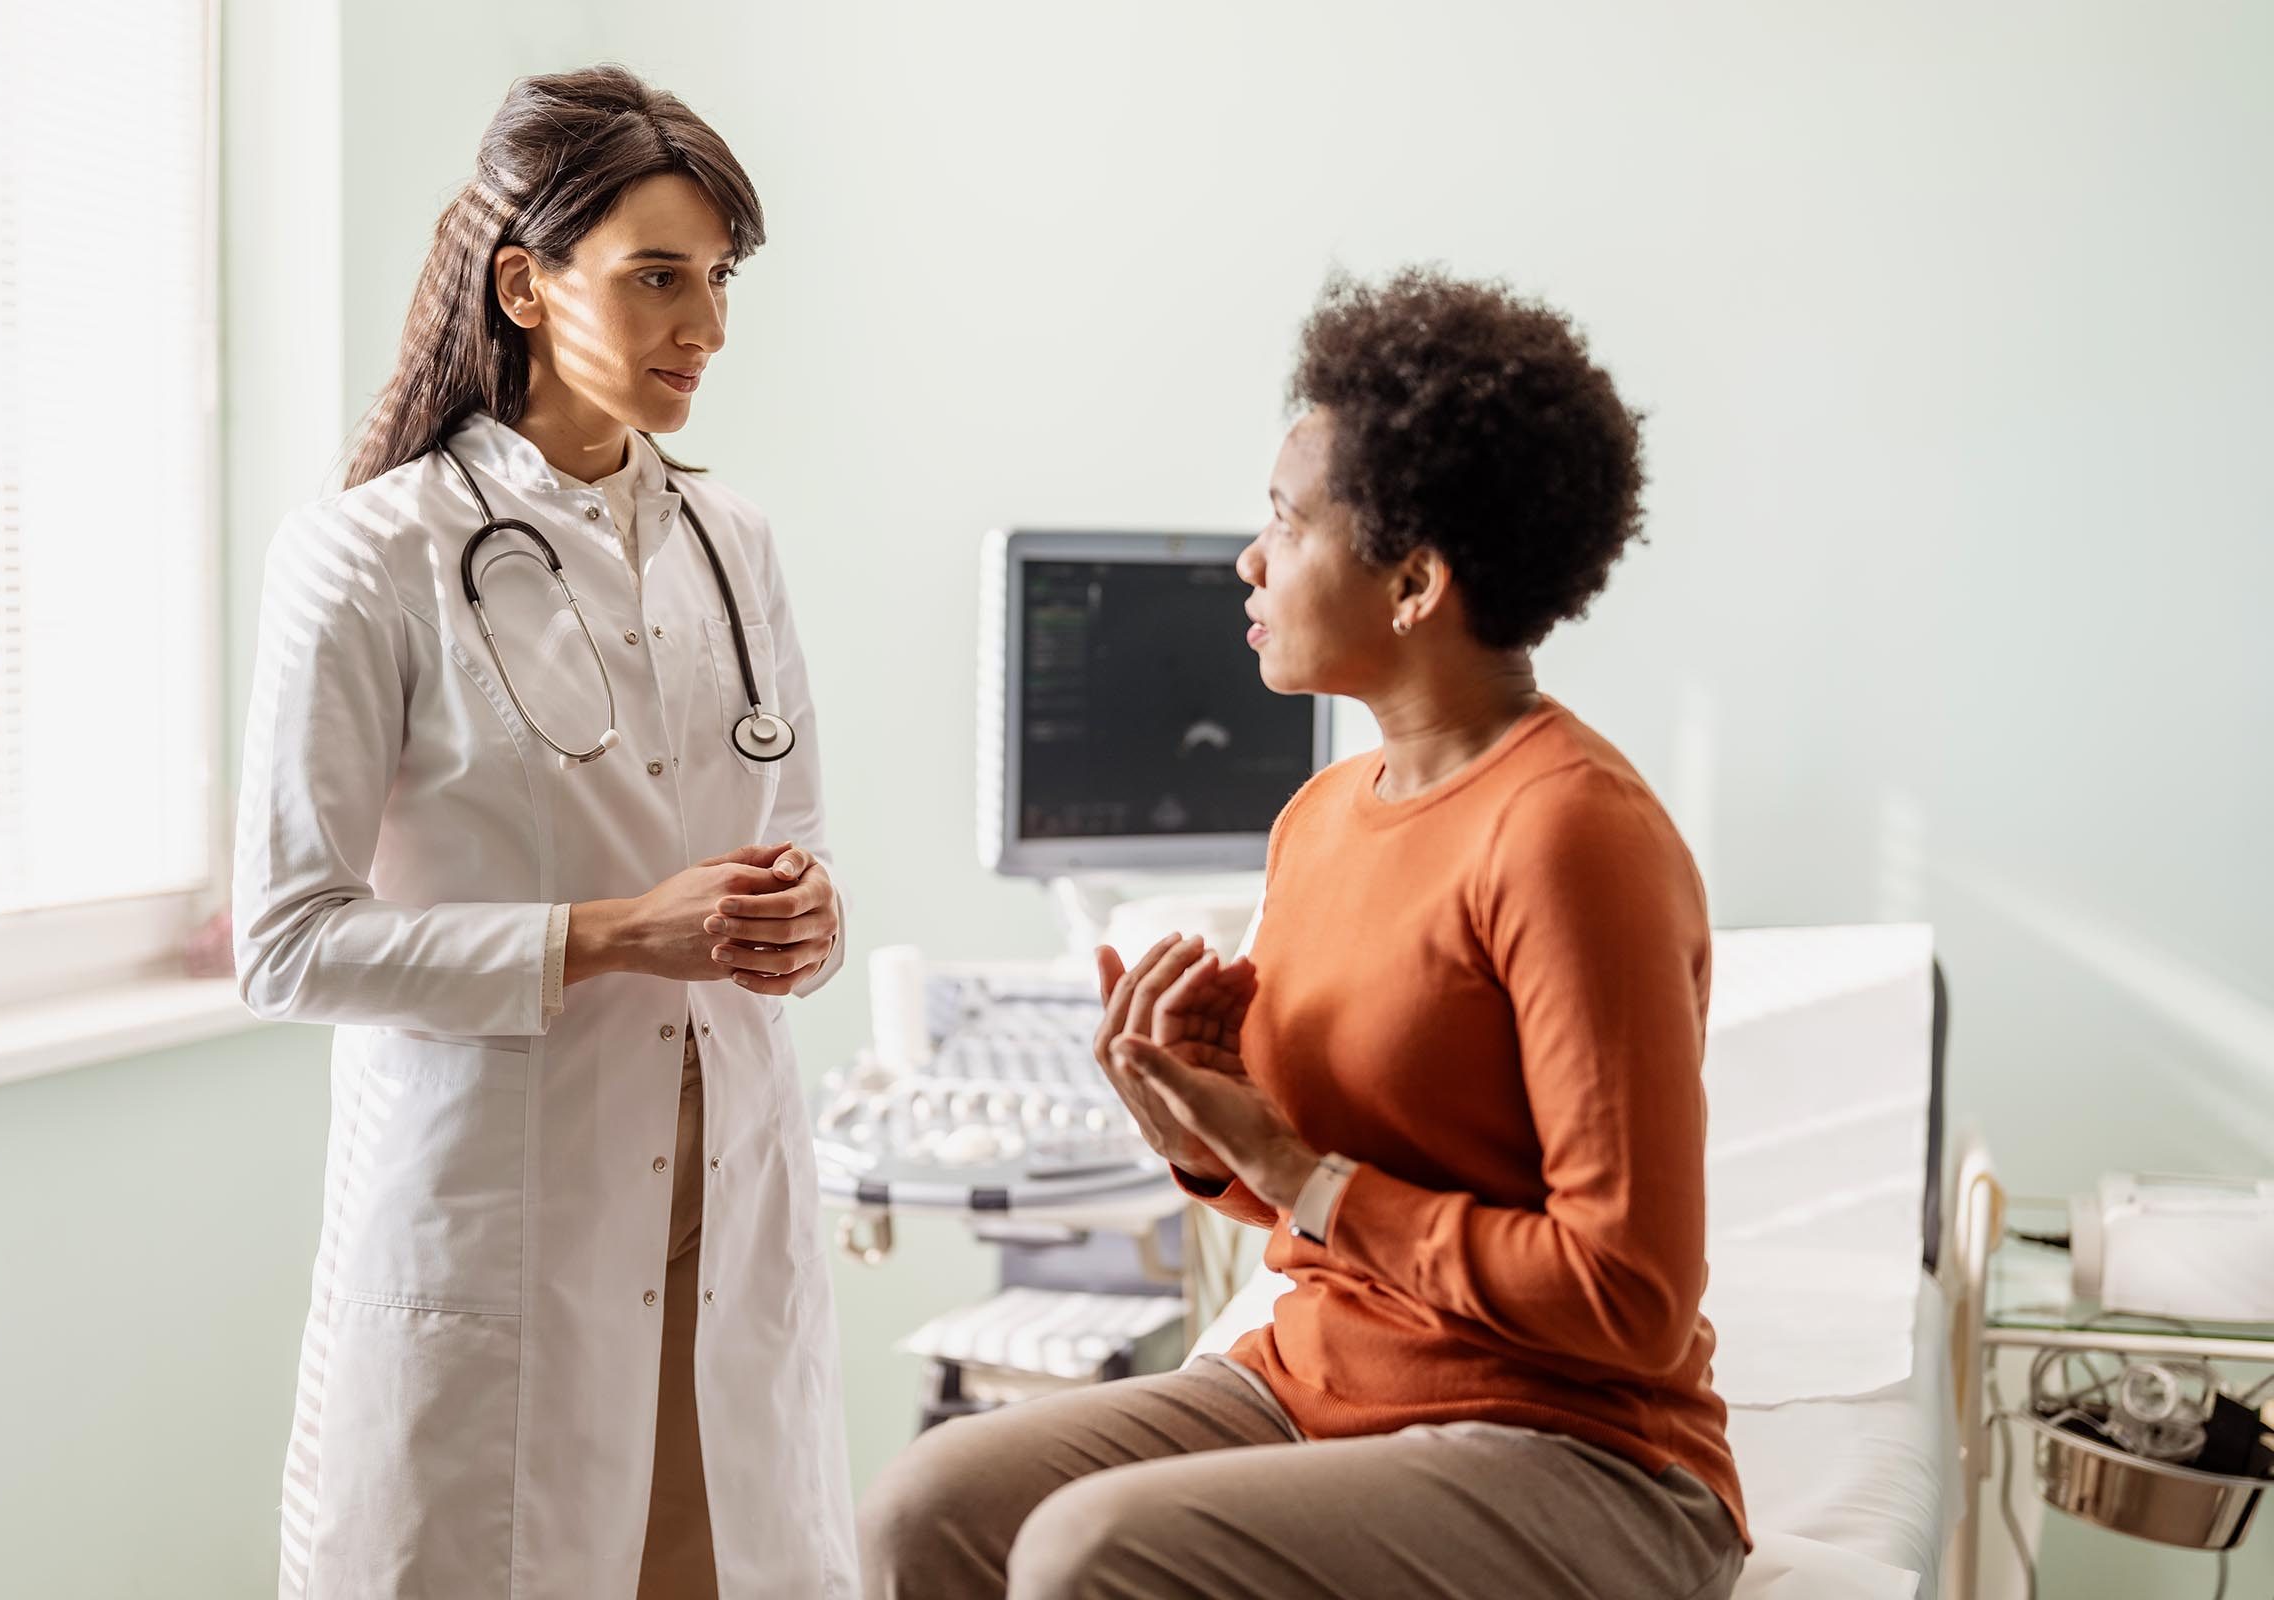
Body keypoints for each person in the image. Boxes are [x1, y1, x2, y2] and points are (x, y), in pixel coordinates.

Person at [859, 269, 1748, 1599]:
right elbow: (1304, 1183)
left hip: (1581, 1451)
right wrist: (1204, 1127)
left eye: (1284, 518)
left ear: (1415, 581)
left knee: (1084, 1555)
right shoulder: (1321, 816)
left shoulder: (1572, 836)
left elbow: (1628, 1295)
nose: (1249, 558)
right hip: (1320, 1380)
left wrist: (1294, 1162)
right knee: (926, 1505)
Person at [232, 65, 853, 1600]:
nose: (702, 327)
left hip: (726, 1192)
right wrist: (613, 935)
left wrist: (812, 919)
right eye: (656, 278)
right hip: (507, 1212)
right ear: (524, 283)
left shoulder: (736, 545)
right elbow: (287, 941)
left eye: (715, 281)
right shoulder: (365, 559)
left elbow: (798, 842)